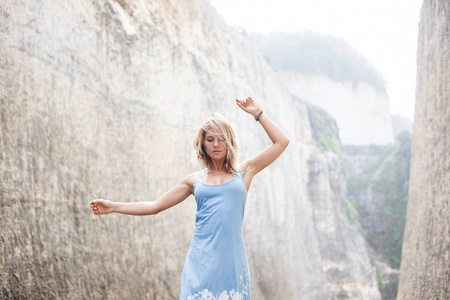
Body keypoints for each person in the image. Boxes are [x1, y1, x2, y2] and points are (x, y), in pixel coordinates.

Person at [89, 96, 289, 300]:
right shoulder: (194, 181)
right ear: (203, 144)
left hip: (231, 263)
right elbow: (155, 206)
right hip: (200, 262)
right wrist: (113, 206)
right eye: (210, 139)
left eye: (221, 138)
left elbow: (281, 142)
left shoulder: (244, 172)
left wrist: (257, 113)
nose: (216, 144)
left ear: (229, 141)